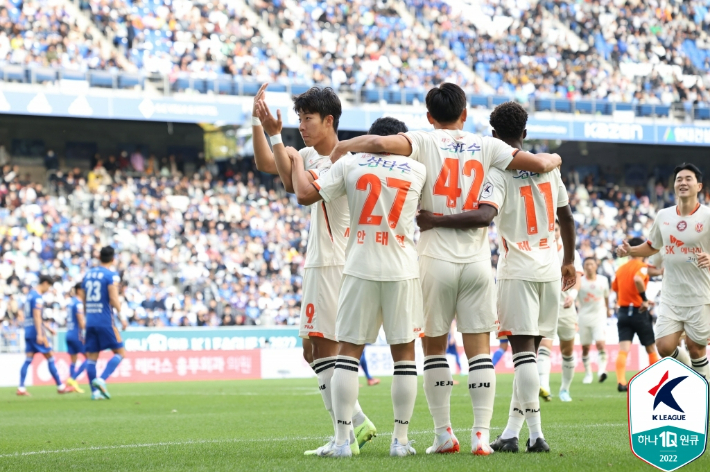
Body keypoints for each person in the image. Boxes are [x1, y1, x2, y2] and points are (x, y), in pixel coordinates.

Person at [329, 87, 561, 455]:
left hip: (434, 256)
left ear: (428, 115)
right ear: (465, 113)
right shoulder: (487, 145)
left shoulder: (421, 140)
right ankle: (481, 437)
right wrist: (554, 157)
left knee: (434, 348)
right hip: (476, 260)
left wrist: (344, 146)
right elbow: (537, 164)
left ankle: (443, 435)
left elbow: (379, 143)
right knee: (480, 351)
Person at [416, 100, 576, 453]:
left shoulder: (499, 172)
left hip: (517, 268)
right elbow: (567, 217)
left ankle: (536, 435)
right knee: (531, 356)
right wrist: (569, 260)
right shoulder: (550, 169)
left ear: (494, 136)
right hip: (549, 267)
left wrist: (435, 220)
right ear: (525, 133)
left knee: (523, 358)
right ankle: (509, 432)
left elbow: (485, 214)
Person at [291, 116, 426, 458]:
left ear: (369, 137)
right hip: (402, 268)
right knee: (404, 356)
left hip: (359, 266)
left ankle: (341, 442)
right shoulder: (417, 169)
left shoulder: (351, 163)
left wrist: (294, 159)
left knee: (348, 354)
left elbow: (306, 194)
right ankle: (401, 441)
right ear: (398, 139)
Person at [253, 85, 376, 455]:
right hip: (320, 260)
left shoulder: (344, 160)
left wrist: (282, 143)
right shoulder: (308, 155)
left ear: (329, 120)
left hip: (335, 261)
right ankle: (354, 423)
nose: (302, 126)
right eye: (299, 119)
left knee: (330, 348)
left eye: (308, 119)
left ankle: (345, 437)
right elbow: (266, 165)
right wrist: (261, 125)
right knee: (312, 350)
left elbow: (301, 191)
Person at [616, 163, 710, 379]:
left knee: (696, 348)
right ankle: (696, 377)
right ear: (674, 186)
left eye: (688, 179)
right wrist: (630, 250)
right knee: (664, 347)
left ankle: (702, 392)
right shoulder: (663, 216)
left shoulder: (707, 216)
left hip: (700, 294)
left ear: (699, 186)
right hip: (671, 294)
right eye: (679, 179)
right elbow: (652, 246)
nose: (683, 182)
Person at [537, 222, 583, 402]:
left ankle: (564, 389)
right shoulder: (540, 250)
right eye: (551, 229)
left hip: (565, 304)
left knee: (567, 350)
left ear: (560, 231)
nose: (553, 232)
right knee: (544, 345)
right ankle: (545, 387)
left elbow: (577, 276)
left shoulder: (571, 252)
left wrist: (574, 295)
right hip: (546, 303)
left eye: (556, 229)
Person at [611, 237, 661, 392]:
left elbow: (616, 289)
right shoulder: (642, 266)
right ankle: (657, 382)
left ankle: (621, 381)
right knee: (651, 348)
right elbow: (638, 279)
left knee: (623, 349)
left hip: (624, 312)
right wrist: (644, 300)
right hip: (639, 312)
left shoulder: (620, 269)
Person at [17, 275, 76, 396]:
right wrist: (40, 333)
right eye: (48, 286)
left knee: (28, 359)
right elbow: (37, 316)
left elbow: (33, 316)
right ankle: (60, 386)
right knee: (50, 356)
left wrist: (48, 328)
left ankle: (21, 388)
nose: (48, 289)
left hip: (28, 330)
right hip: (35, 331)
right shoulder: (38, 297)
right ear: (44, 283)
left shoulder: (29, 295)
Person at [81, 246, 128, 400]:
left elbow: (84, 299)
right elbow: (114, 298)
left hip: (90, 320)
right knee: (120, 353)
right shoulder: (110, 275)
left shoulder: (87, 275)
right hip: (105, 320)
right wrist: (122, 316)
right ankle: (101, 380)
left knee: (92, 358)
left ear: (99, 257)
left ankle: (94, 393)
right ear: (113, 259)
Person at [577, 258, 612, 384]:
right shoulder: (579, 281)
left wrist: (608, 310)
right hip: (584, 317)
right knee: (585, 347)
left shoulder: (603, 280)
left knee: (601, 344)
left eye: (591, 264)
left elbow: (606, 296)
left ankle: (602, 370)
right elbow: (575, 298)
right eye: (587, 264)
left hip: (599, 316)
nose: (589, 266)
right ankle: (588, 374)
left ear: (596, 266)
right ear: (584, 267)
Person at [65, 283, 87, 393]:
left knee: (73, 360)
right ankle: (73, 379)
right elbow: (81, 322)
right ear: (79, 290)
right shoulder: (78, 303)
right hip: (77, 335)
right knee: (90, 357)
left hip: (68, 333)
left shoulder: (70, 302)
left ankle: (71, 386)